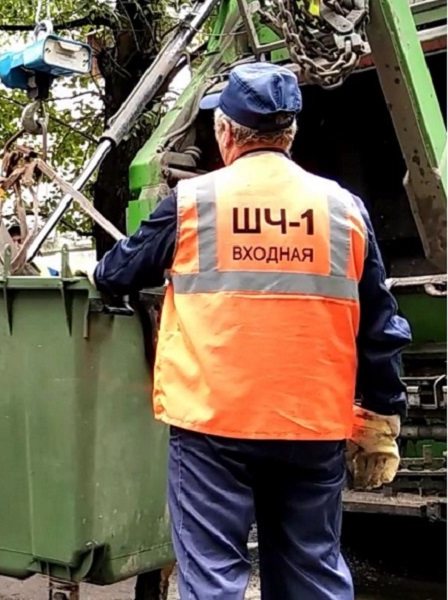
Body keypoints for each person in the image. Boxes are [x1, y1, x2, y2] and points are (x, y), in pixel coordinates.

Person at [89, 62, 412, 599]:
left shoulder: (193, 203)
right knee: (313, 576)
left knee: (213, 578)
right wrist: (382, 414)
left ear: (225, 132)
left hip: (214, 426)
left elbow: (115, 273)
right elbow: (380, 325)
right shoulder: (344, 209)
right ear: (290, 133)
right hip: (312, 426)